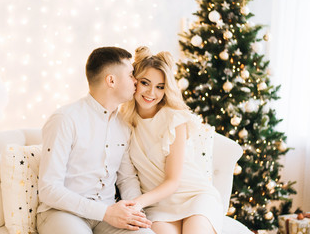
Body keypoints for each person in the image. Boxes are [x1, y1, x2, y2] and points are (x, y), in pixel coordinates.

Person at [37, 46, 154, 234]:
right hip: (62, 214)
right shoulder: (65, 119)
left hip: (108, 214)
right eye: (131, 75)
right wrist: (106, 212)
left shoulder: (124, 124)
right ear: (111, 80)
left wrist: (134, 212)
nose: (136, 81)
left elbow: (127, 179)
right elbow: (49, 189)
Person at [121, 46, 223, 234]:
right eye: (145, 83)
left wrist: (135, 204)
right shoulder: (123, 122)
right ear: (134, 81)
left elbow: (173, 181)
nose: (152, 92)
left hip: (194, 196)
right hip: (158, 206)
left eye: (160, 87)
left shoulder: (174, 119)